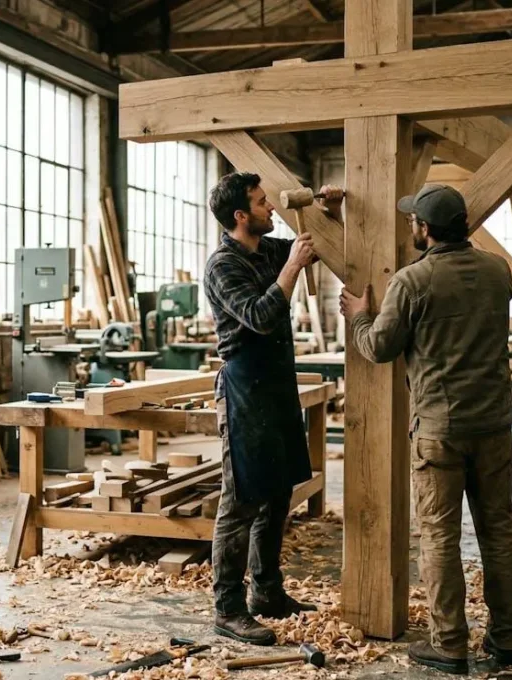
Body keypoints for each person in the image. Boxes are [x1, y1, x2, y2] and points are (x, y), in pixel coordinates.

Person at [338, 184, 512, 674]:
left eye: (412, 222)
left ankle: (450, 645)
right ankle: (505, 641)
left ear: (424, 228)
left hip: (441, 427)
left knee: (440, 536)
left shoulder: (412, 281)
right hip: (494, 423)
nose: (409, 228)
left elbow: (379, 347)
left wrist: (359, 319)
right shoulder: (498, 270)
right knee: (499, 533)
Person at [202, 172, 341, 645]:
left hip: (276, 379)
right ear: (241, 216)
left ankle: (267, 592)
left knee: (279, 490)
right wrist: (293, 267)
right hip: (244, 384)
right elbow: (260, 317)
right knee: (241, 499)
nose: (271, 210)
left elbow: (314, 244)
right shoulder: (223, 264)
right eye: (262, 204)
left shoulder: (268, 249)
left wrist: (330, 211)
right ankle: (227, 608)